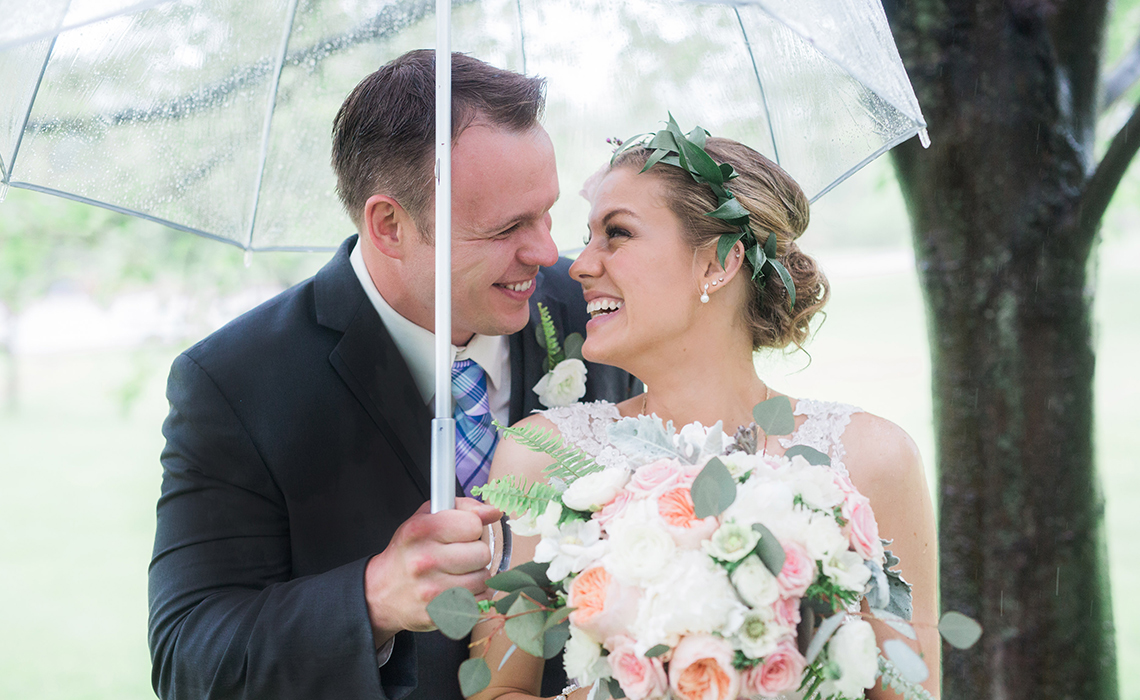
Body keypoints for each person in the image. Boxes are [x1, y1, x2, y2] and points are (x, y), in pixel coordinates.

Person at [147, 50, 639, 700]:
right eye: (508, 227)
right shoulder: (234, 383)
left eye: (547, 213)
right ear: (389, 224)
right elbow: (188, 658)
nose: (548, 252)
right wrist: (374, 596)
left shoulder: (595, 314)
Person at [473, 133, 940, 699]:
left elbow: (911, 692)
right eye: (588, 237)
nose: (579, 266)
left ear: (719, 261)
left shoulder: (872, 459)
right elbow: (496, 692)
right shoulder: (538, 456)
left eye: (616, 233)